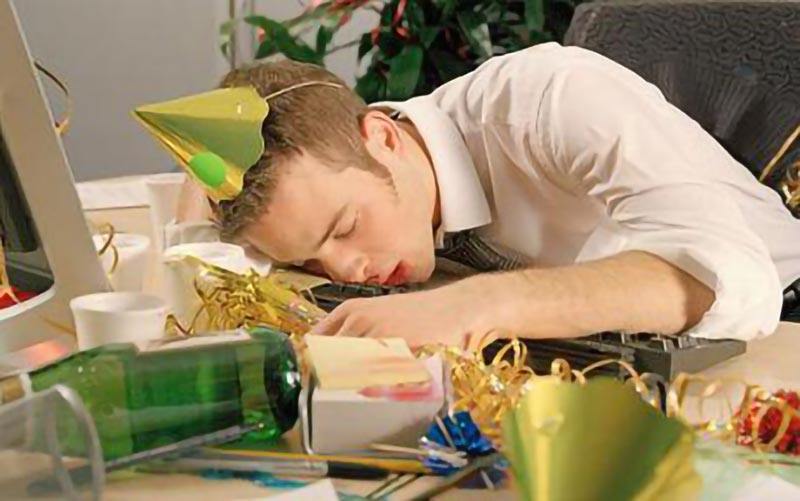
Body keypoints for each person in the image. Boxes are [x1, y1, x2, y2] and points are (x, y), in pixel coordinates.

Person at [175, 43, 800, 348]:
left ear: (382, 136)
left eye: (343, 228)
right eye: (309, 260)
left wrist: (474, 306)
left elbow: (720, 278)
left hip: (774, 333)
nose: (346, 271)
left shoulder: (551, 100)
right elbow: (204, 235)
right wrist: (214, 170)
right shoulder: (352, 186)